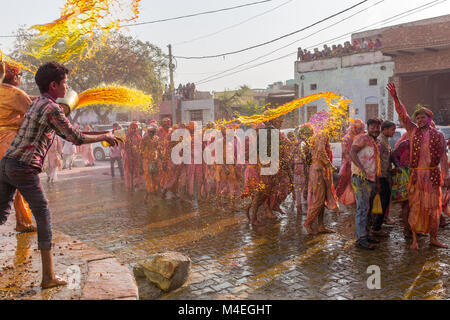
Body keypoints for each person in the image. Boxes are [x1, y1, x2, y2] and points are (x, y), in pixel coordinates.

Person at [0, 61, 118, 289]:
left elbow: (71, 131)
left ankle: (49, 276)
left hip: (6, 164)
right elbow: (75, 137)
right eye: (65, 83)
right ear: (54, 85)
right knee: (43, 216)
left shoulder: (37, 104)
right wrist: (105, 136)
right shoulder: (51, 108)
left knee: (0, 215)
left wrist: (103, 133)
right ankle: (48, 277)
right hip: (23, 166)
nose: (67, 87)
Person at [387, 83, 449, 249]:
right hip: (416, 176)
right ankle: (414, 239)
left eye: (423, 117)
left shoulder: (439, 135)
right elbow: (403, 114)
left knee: (434, 208)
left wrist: (447, 175)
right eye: (418, 118)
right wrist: (395, 97)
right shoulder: (413, 131)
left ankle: (433, 238)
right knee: (415, 207)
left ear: (430, 119)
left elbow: (443, 156)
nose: (420, 120)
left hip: (433, 176)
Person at [0, 61, 37, 233]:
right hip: (11, 143)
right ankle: (23, 222)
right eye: (20, 76)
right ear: (14, 76)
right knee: (19, 185)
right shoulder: (16, 94)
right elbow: (33, 116)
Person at [350, 118, 382, 250]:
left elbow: (376, 163)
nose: (376, 129)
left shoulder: (376, 142)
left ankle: (366, 233)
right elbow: (352, 152)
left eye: (377, 127)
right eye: (373, 127)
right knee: (362, 208)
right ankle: (360, 239)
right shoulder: (361, 138)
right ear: (368, 128)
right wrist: (361, 168)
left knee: (368, 209)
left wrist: (378, 181)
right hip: (360, 177)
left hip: (372, 179)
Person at [304, 130, 338, 235]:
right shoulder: (323, 133)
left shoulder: (316, 135)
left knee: (323, 199)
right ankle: (308, 223)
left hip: (317, 168)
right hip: (319, 169)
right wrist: (330, 166)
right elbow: (321, 151)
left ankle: (320, 225)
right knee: (319, 199)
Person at [371, 120, 396, 234]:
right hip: (380, 176)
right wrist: (378, 179)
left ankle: (377, 225)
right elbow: (377, 160)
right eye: (392, 129)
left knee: (384, 201)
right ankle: (376, 227)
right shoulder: (380, 142)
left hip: (385, 174)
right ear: (384, 129)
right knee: (382, 201)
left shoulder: (385, 140)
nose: (394, 132)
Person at [336, 119, 365, 207]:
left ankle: (354, 203)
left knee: (355, 186)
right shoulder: (347, 138)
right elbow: (346, 153)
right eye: (357, 128)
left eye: (360, 129)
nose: (358, 130)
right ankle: (336, 203)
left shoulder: (360, 137)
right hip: (348, 166)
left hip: (357, 165)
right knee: (343, 184)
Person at [140, 124, 160, 205]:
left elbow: (158, 149)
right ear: (148, 131)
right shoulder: (144, 139)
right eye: (150, 132)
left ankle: (146, 197)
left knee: (154, 180)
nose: (151, 133)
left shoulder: (157, 138)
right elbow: (140, 152)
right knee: (149, 181)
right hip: (146, 162)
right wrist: (140, 165)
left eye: (153, 132)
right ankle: (152, 201)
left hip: (154, 161)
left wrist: (161, 159)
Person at [123, 122, 143, 192]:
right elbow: (124, 147)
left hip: (136, 157)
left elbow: (140, 147)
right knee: (128, 172)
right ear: (130, 129)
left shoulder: (138, 137)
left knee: (137, 171)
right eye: (132, 128)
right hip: (128, 157)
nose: (134, 130)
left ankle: (136, 184)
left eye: (135, 128)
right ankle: (129, 187)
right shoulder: (126, 137)